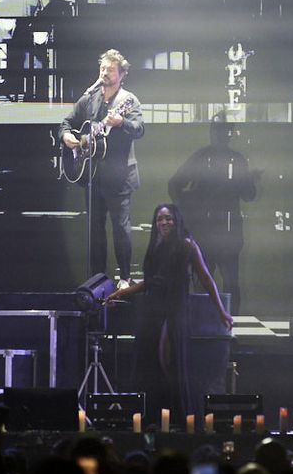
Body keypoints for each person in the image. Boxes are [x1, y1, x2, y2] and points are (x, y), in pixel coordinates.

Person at [104, 203, 232, 417]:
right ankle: (156, 413)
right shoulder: (156, 246)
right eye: (160, 219)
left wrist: (221, 312)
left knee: (167, 357)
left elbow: (206, 279)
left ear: (176, 220)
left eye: (168, 218)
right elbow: (149, 283)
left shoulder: (187, 245)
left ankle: (177, 411)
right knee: (151, 361)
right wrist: (119, 293)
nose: (164, 222)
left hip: (175, 309)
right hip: (153, 309)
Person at [60, 49, 145, 289]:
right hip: (93, 176)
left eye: (110, 69)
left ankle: (125, 278)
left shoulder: (129, 101)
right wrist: (67, 135)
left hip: (119, 177)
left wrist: (121, 122)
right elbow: (67, 121)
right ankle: (98, 279)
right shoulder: (90, 98)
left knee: (120, 228)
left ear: (122, 74)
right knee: (95, 231)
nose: (104, 73)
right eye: (103, 69)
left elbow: (139, 129)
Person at [168, 111, 260, 314]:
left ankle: (228, 325)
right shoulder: (207, 158)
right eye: (218, 130)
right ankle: (209, 324)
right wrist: (187, 213)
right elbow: (175, 185)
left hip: (225, 232)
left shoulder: (232, 159)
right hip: (208, 232)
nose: (221, 134)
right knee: (207, 281)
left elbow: (248, 194)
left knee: (227, 283)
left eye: (224, 130)